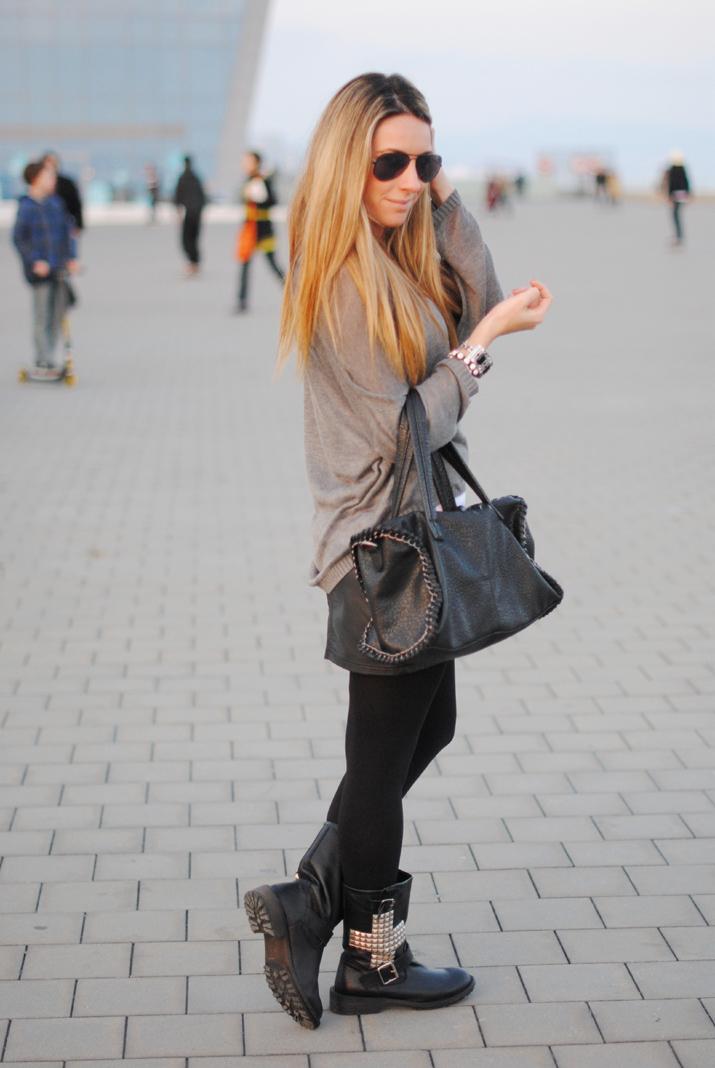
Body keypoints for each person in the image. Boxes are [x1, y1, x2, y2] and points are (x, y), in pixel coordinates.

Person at [243, 73, 552, 1029]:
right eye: (390, 164)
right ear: (348, 164)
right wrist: (481, 344)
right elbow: (404, 424)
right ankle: (370, 961)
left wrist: (444, 200)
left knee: (425, 729)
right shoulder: (343, 278)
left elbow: (480, 299)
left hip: (403, 540)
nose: (411, 181)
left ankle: (310, 898)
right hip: (379, 554)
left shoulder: (392, 257)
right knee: (379, 765)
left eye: (426, 161)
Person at [12, 160, 79, 372]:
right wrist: (34, 262)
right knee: (42, 315)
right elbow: (20, 239)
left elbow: (68, 233)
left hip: (59, 268)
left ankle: (50, 353)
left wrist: (71, 257)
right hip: (40, 273)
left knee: (58, 313)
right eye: (48, 177)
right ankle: (43, 358)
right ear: (35, 179)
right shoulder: (27, 207)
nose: (53, 181)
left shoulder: (56, 204)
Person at [235, 151, 285, 312]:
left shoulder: (264, 180)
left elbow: (273, 200)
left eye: (248, 161)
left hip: (264, 229)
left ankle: (293, 292)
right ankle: (242, 301)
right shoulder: (249, 180)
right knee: (244, 264)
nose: (245, 164)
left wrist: (261, 197)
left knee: (273, 264)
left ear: (256, 163)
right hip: (250, 229)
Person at [174, 155, 206, 275]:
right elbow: (202, 197)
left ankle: (193, 263)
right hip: (196, 214)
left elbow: (178, 197)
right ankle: (194, 263)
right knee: (194, 239)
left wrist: (179, 212)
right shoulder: (196, 178)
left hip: (189, 213)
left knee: (186, 240)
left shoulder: (182, 178)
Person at [42, 151, 84, 232]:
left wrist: (78, 225)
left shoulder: (67, 183)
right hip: (45, 227)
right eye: (49, 162)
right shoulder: (39, 185)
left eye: (54, 162)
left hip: (65, 225)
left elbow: (76, 204)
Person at [663, 151, 691, 246]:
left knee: (675, 215)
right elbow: (686, 183)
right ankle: (679, 235)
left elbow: (672, 184)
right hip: (682, 195)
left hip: (675, 195)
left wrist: (669, 196)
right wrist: (688, 194)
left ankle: (678, 236)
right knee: (677, 214)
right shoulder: (683, 169)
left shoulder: (672, 170)